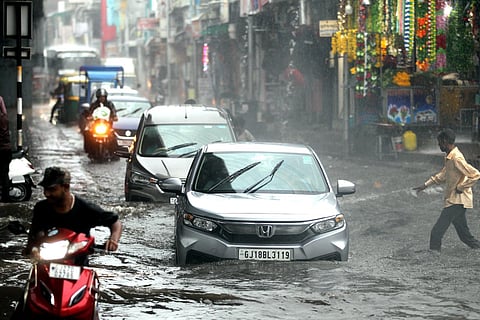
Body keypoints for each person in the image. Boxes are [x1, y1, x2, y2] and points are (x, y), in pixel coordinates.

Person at [24, 166, 122, 257]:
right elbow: (34, 233)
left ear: (65, 187)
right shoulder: (41, 208)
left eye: (52, 189)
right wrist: (32, 249)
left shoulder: (85, 208)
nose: (46, 194)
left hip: (78, 260)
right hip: (47, 258)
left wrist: (113, 240)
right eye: (45, 189)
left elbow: (115, 222)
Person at [413, 128, 480, 251]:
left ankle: (433, 259)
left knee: (436, 233)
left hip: (456, 201)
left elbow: (475, 174)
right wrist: (425, 185)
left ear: (444, 141)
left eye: (439, 143)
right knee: (465, 237)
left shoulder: (456, 158)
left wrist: (461, 187)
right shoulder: (450, 157)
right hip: (456, 201)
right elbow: (443, 175)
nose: (438, 145)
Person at [84, 88, 118, 154]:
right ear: (97, 97)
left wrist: (114, 117)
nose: (102, 98)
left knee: (113, 136)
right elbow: (89, 112)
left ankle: (113, 153)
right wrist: (89, 117)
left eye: (103, 97)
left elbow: (113, 112)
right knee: (87, 133)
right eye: (100, 97)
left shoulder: (109, 104)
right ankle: (89, 151)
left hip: (107, 125)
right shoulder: (94, 104)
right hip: (96, 124)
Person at [0, 96, 12, 202]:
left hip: (1, 150)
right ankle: (5, 196)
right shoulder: (5, 117)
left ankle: (5, 197)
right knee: (5, 174)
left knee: (3, 174)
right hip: (7, 150)